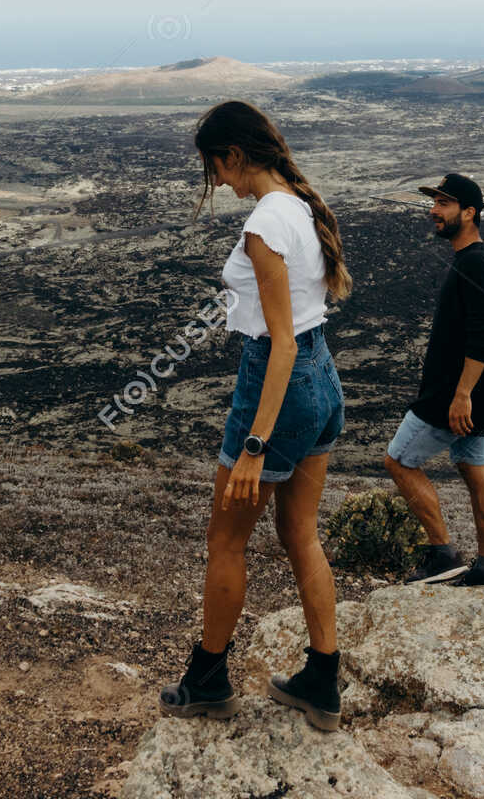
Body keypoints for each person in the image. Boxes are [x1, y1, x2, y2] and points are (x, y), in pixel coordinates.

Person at [159, 100, 352, 731]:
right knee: (302, 535)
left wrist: (254, 444)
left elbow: (280, 342)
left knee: (226, 540)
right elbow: (303, 333)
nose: (217, 182)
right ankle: (323, 681)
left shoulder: (265, 224)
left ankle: (208, 678)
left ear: (235, 155)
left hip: (278, 385)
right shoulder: (299, 204)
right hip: (322, 382)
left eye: (215, 168)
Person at [384, 172, 484, 587]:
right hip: (475, 396)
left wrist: (461, 394)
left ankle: (442, 555)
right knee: (475, 471)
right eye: (434, 203)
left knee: (399, 460)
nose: (433, 211)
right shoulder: (474, 259)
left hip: (454, 396)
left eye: (443, 204)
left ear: (469, 212)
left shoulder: (476, 263)